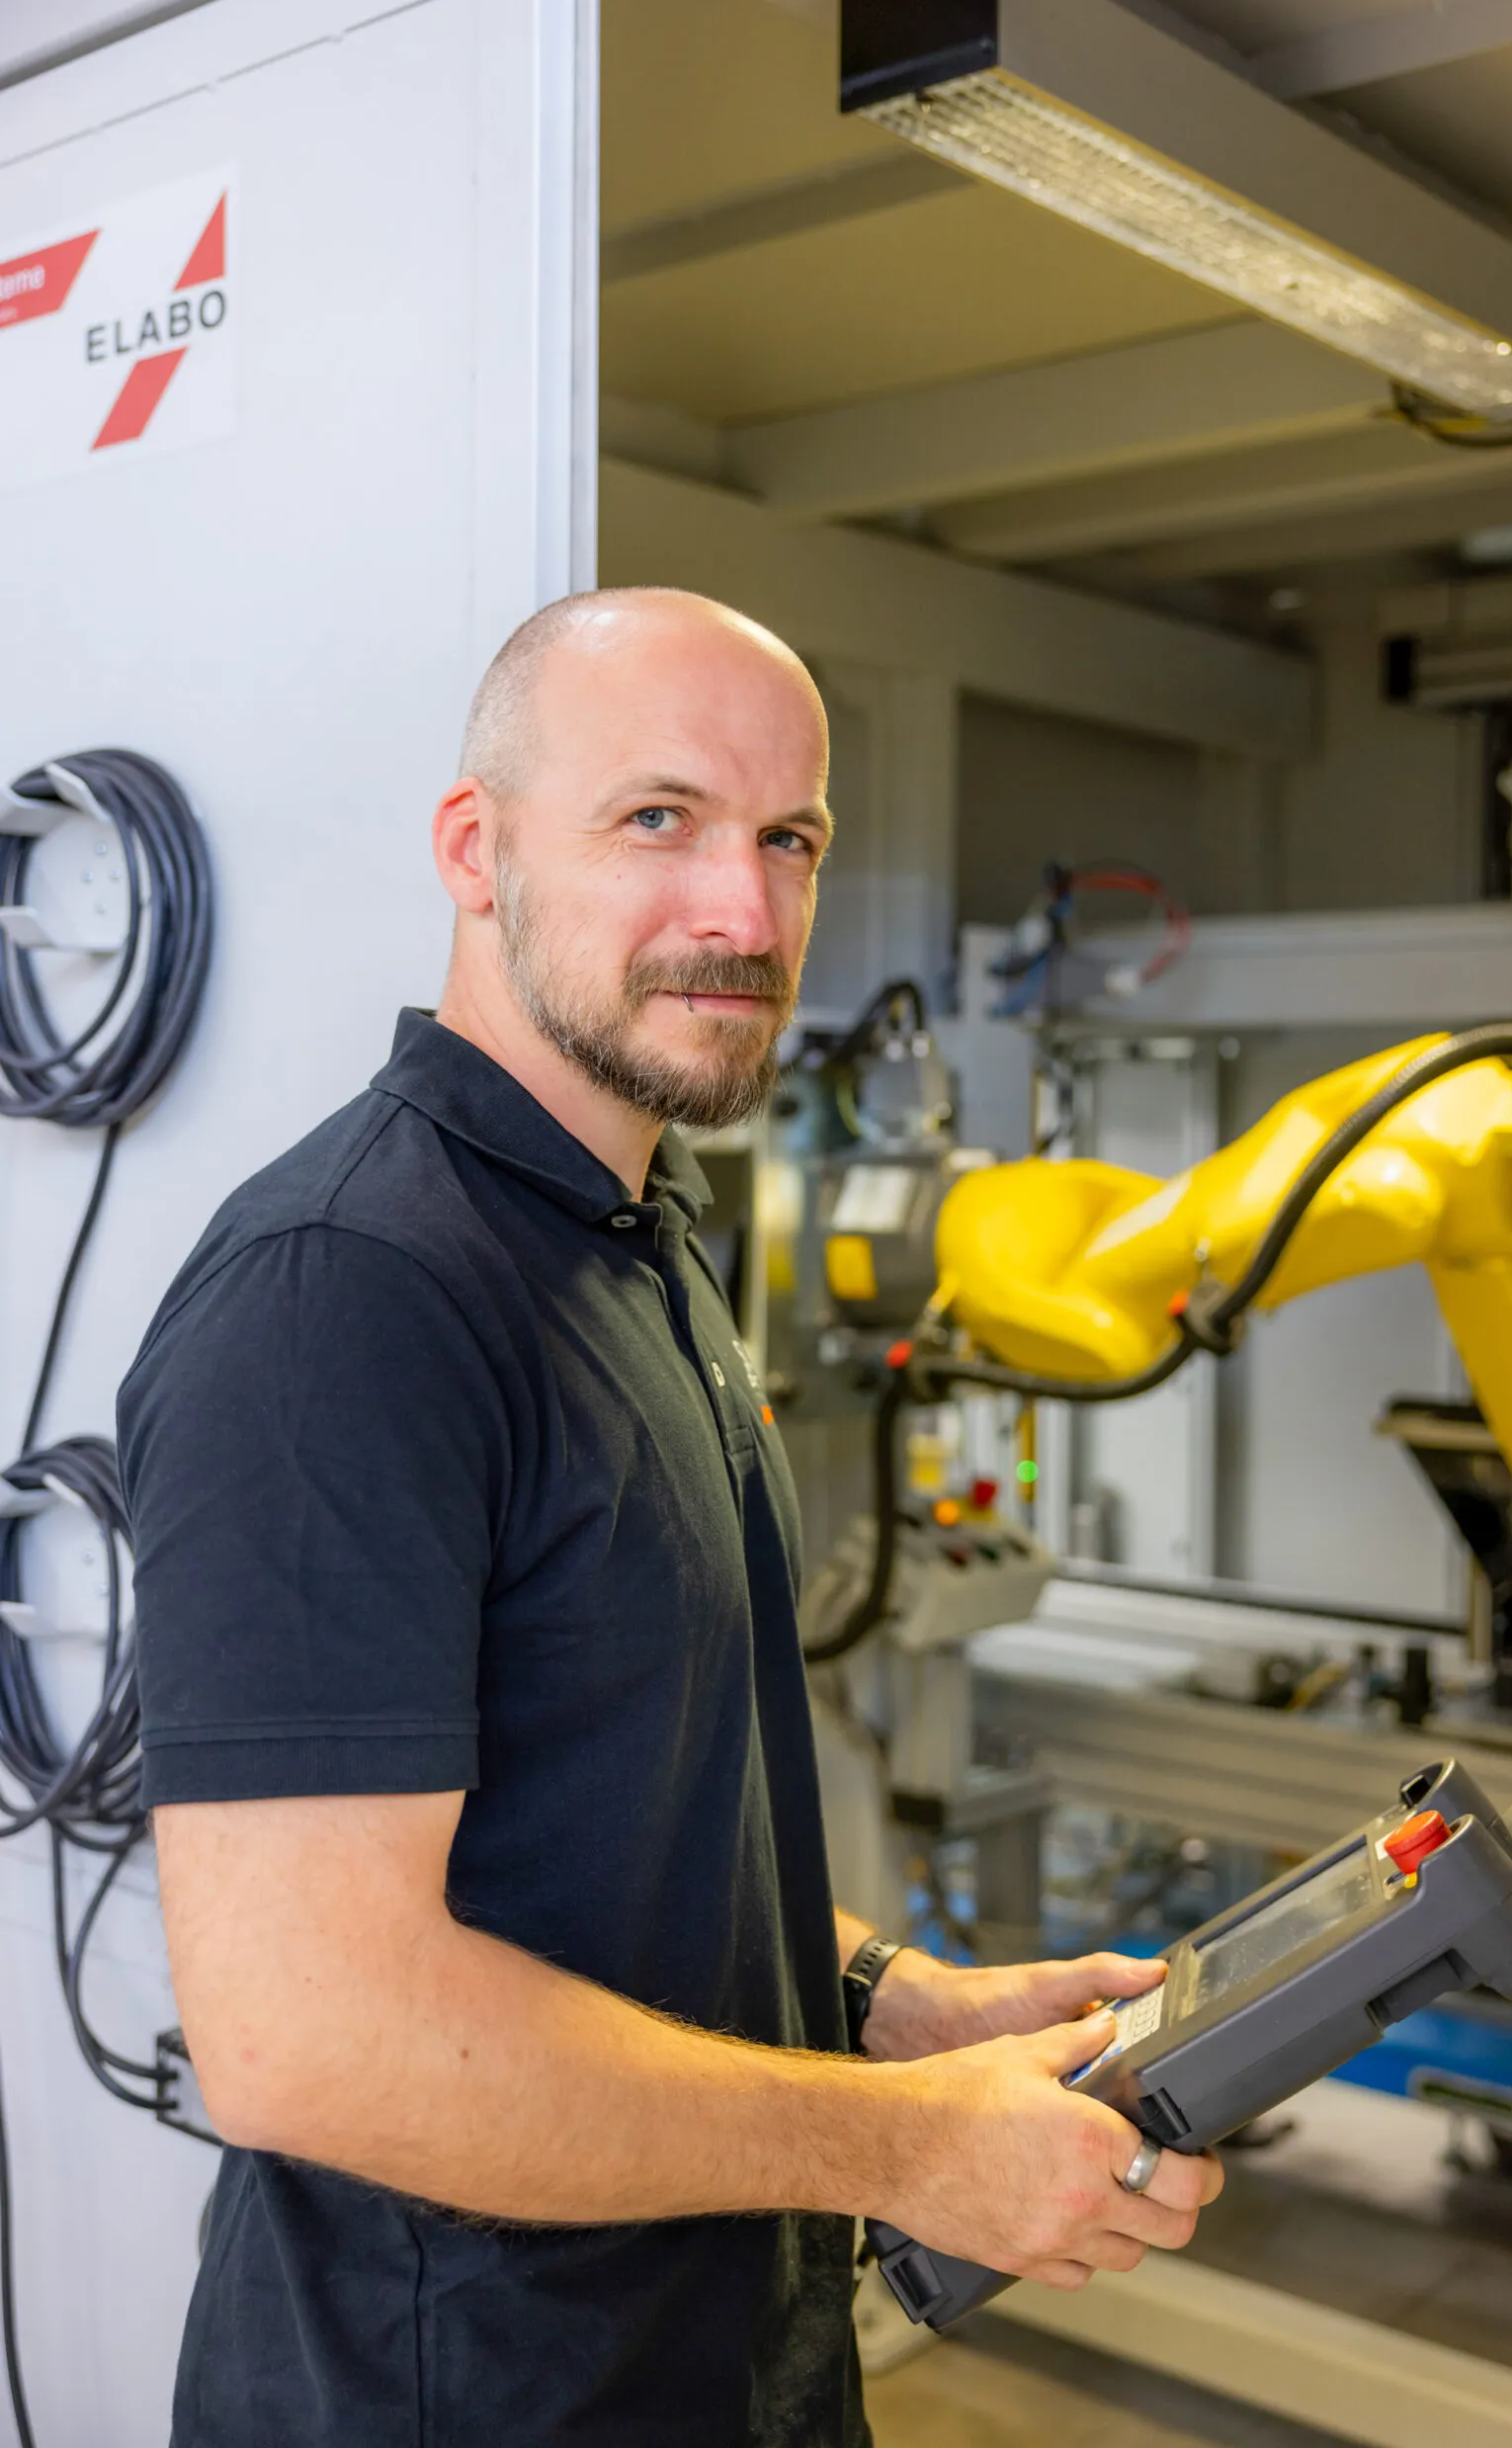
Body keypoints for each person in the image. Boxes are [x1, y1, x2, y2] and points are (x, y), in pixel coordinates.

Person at [122, 588, 1221, 2448]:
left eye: (788, 839)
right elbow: (311, 2038)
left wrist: (888, 1999)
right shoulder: (351, 1292)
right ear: (477, 851)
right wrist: (901, 2151)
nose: (744, 913)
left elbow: (618, 1808)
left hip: (712, 2365)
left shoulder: (635, 1236)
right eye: (659, 821)